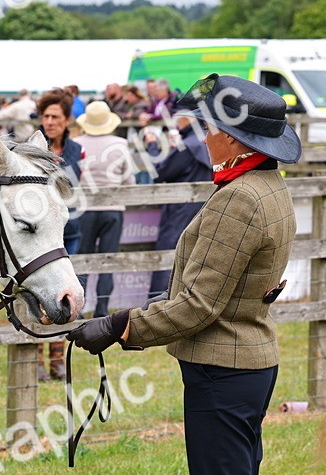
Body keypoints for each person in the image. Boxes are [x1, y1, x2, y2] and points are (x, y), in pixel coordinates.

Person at [68, 74, 299, 475]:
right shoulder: (265, 188)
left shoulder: (240, 200)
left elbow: (195, 306)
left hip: (224, 369)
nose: (206, 136)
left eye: (214, 128)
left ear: (234, 139)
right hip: (244, 365)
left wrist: (117, 326)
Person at [36, 88, 84, 380]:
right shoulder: (32, 148)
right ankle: (37, 356)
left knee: (64, 293)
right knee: (39, 293)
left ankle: (57, 356)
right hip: (41, 233)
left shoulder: (76, 151)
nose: (50, 121)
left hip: (70, 230)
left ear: (67, 120)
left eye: (55, 117)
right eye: (45, 116)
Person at [74, 101, 135, 318]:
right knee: (108, 260)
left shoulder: (76, 143)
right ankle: (101, 310)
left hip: (84, 209)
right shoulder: (120, 144)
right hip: (113, 209)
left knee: (82, 260)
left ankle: (79, 309)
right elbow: (129, 181)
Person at [149, 115, 212, 299]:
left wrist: (152, 145)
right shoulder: (206, 141)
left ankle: (157, 304)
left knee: (167, 255)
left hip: (178, 212)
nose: (176, 122)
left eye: (180, 117)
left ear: (192, 119)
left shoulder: (189, 145)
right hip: (201, 209)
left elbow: (159, 172)